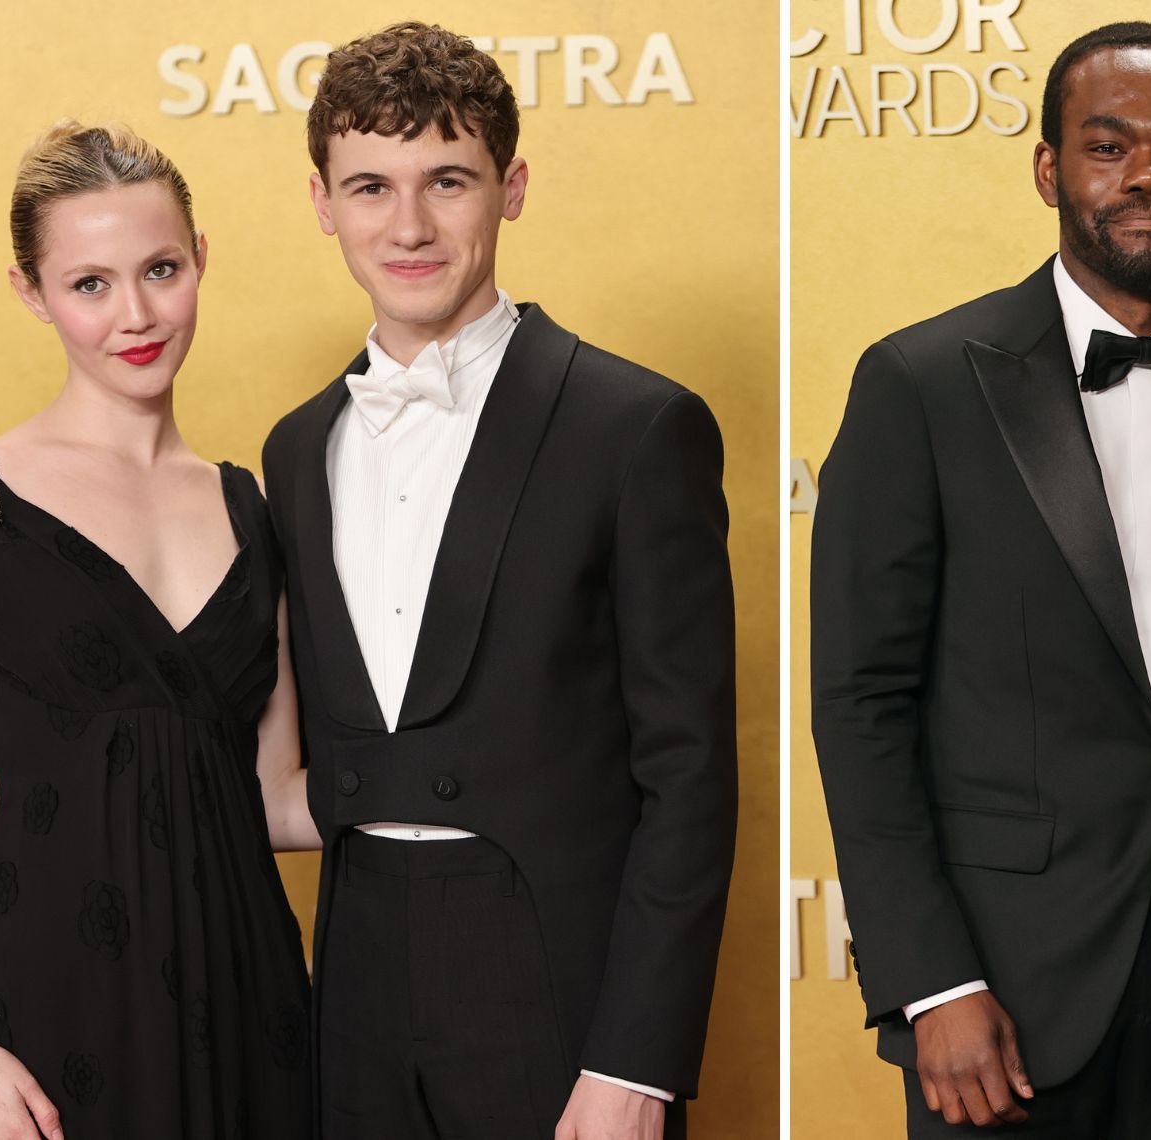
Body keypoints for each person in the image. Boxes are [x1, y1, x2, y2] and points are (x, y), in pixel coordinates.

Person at [811, 22, 1151, 1137]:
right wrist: (932, 982)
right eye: (1109, 147)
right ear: (1050, 169)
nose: (1147, 175)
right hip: (1001, 992)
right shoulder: (922, 381)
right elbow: (861, 702)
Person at [259, 24, 737, 1140]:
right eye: (370, 187)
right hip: (356, 987)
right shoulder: (295, 447)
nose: (409, 226)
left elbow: (689, 775)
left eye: (447, 181)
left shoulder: (636, 426)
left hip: (557, 988)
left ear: (510, 188)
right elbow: (271, 741)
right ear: (323, 203)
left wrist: (637, 1063)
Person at [0, 122, 316, 1140]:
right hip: (45, 1001)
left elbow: (272, 797)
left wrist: (483, 772)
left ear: (199, 259)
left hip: (250, 991)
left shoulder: (252, 507)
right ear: (32, 293)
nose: (136, 315)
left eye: (161, 270)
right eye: (89, 284)